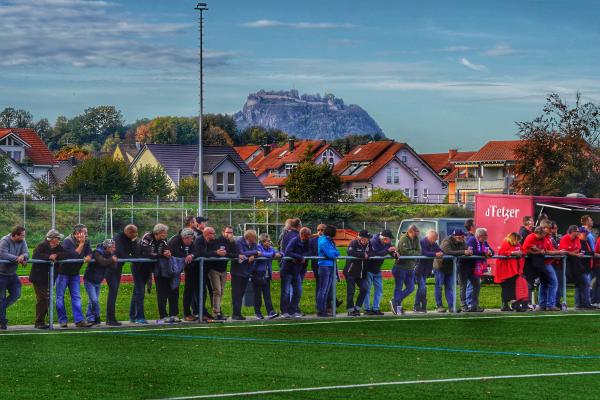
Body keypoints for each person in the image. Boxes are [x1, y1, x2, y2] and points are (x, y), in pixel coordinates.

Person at [195, 226, 237, 321]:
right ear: (223, 232)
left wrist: (227, 252)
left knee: (221, 291)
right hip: (213, 269)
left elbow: (235, 254)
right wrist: (217, 253)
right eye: (228, 232)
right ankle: (216, 313)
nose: (229, 234)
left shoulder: (231, 242)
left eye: (231, 232)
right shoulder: (216, 241)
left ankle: (218, 311)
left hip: (223, 270)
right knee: (217, 291)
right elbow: (208, 252)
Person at [30, 230, 68, 329]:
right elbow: (35, 256)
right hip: (38, 278)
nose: (60, 240)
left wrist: (56, 255)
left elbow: (66, 254)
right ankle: (39, 322)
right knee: (43, 299)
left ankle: (41, 322)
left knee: (46, 299)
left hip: (49, 277)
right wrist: (49, 257)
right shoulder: (42, 245)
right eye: (58, 238)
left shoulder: (58, 247)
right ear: (53, 239)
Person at [139, 224, 175, 324]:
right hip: (141, 267)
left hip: (157, 267)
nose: (166, 234)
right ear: (158, 232)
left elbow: (166, 250)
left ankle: (164, 315)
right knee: (139, 292)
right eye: (164, 233)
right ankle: (137, 316)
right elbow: (147, 254)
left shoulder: (164, 239)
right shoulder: (147, 237)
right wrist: (161, 255)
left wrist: (168, 253)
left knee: (162, 290)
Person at [59, 224, 93, 328]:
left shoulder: (86, 241)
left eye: (86, 232)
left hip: (75, 273)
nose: (86, 234)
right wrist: (81, 244)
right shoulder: (67, 241)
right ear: (77, 233)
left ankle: (79, 321)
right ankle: (63, 321)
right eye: (84, 232)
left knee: (76, 297)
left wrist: (88, 256)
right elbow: (72, 255)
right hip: (63, 273)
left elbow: (90, 252)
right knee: (60, 297)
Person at [523, 226, 562, 311]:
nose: (543, 237)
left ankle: (543, 305)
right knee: (552, 282)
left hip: (541, 263)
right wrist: (539, 251)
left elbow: (545, 250)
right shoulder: (530, 237)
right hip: (534, 264)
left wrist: (540, 251)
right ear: (537, 233)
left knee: (544, 282)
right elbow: (526, 250)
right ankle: (548, 304)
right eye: (542, 235)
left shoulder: (544, 238)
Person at [435, 229, 472, 313]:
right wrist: (463, 252)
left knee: (449, 287)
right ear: (457, 236)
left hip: (451, 267)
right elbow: (447, 251)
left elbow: (466, 249)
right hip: (440, 266)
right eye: (462, 236)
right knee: (439, 286)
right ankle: (439, 306)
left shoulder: (462, 241)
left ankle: (451, 306)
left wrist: (469, 252)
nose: (464, 237)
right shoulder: (446, 241)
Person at [0, 226, 28, 330]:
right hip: (1, 274)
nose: (24, 237)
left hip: (12, 274)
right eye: (22, 235)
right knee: (1, 298)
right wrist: (18, 258)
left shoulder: (22, 241)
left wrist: (24, 257)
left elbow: (26, 253)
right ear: (15, 235)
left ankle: (0, 310)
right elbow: (3, 254)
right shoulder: (4, 241)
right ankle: (2, 322)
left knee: (17, 294)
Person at [85, 239, 117, 325]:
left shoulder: (110, 253)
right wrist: (111, 260)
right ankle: (97, 317)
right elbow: (102, 262)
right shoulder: (97, 252)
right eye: (113, 247)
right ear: (108, 247)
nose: (114, 249)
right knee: (94, 300)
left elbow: (114, 266)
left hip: (98, 280)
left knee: (92, 301)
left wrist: (111, 260)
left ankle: (90, 318)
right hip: (89, 280)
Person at [167, 228, 196, 322]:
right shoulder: (174, 241)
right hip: (172, 270)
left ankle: (187, 313)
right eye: (190, 239)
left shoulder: (191, 242)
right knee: (173, 291)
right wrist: (186, 255)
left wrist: (191, 255)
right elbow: (174, 253)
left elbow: (197, 251)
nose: (192, 241)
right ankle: (172, 314)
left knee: (189, 289)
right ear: (185, 238)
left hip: (188, 268)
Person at [363, 229, 396, 315]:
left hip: (377, 269)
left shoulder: (386, 242)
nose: (390, 241)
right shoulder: (373, 241)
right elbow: (376, 254)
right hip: (368, 269)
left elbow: (390, 250)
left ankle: (376, 308)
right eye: (389, 239)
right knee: (367, 289)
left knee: (379, 289)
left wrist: (395, 254)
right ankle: (367, 309)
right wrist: (388, 251)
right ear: (384, 238)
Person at [559, 225, 591, 310]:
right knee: (564, 284)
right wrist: (574, 253)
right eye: (576, 231)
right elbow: (563, 251)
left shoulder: (577, 239)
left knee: (583, 283)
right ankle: (582, 304)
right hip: (567, 265)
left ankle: (583, 304)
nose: (578, 233)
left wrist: (571, 252)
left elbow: (577, 249)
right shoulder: (565, 238)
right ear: (572, 232)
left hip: (576, 264)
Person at [282, 227, 312, 318]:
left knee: (298, 291)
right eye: (307, 236)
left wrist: (301, 257)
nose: (308, 238)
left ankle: (292, 311)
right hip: (287, 269)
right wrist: (299, 257)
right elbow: (287, 252)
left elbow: (309, 252)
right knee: (285, 291)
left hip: (297, 270)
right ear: (302, 234)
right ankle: (284, 311)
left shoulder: (307, 241)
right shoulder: (294, 240)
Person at [461, 228, 493, 312]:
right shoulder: (471, 240)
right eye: (485, 236)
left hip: (476, 268)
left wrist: (490, 253)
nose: (487, 238)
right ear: (479, 236)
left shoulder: (484, 242)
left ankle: (474, 305)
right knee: (464, 286)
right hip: (466, 266)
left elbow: (491, 250)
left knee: (477, 285)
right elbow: (472, 251)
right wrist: (484, 254)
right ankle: (465, 305)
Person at [231, 229, 261, 320]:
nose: (255, 239)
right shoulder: (239, 242)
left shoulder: (253, 243)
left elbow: (259, 252)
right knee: (236, 294)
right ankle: (236, 314)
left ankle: (238, 313)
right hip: (237, 272)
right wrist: (255, 253)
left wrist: (254, 256)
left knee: (241, 293)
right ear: (248, 237)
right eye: (254, 237)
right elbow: (242, 253)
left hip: (247, 272)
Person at [391, 224, 420, 315]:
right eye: (416, 232)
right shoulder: (403, 239)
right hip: (400, 268)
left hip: (410, 268)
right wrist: (415, 253)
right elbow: (405, 252)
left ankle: (395, 301)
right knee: (398, 287)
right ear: (411, 231)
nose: (418, 234)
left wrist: (414, 253)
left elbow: (419, 251)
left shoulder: (416, 239)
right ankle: (397, 308)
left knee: (411, 288)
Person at [114, 225, 140, 324]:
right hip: (110, 267)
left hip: (118, 266)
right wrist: (129, 257)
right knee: (113, 292)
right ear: (129, 232)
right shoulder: (118, 238)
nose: (136, 235)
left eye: (136, 233)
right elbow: (120, 253)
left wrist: (134, 242)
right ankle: (108, 318)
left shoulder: (131, 239)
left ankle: (111, 318)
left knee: (114, 291)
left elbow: (135, 254)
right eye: (134, 233)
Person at [344, 230, 371, 316]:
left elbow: (373, 252)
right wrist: (362, 254)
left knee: (364, 289)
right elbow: (350, 252)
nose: (368, 240)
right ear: (362, 238)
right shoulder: (354, 243)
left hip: (362, 273)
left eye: (368, 238)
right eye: (367, 238)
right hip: (351, 271)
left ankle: (357, 308)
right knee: (351, 291)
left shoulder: (369, 244)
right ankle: (350, 310)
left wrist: (368, 254)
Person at [253, 233, 280, 319]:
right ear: (263, 242)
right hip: (257, 275)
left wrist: (279, 254)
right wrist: (272, 254)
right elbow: (262, 254)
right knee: (257, 295)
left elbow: (279, 253)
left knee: (267, 295)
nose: (270, 242)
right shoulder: (257, 248)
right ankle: (258, 313)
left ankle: (271, 312)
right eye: (268, 241)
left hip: (267, 276)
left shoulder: (271, 248)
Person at [495, 232, 525, 311]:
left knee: (513, 287)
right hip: (505, 270)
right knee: (507, 287)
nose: (518, 242)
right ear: (513, 239)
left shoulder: (517, 245)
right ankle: (508, 304)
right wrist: (513, 253)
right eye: (517, 240)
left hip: (513, 270)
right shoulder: (506, 244)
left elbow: (523, 251)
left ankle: (510, 304)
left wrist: (521, 253)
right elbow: (502, 253)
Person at [415, 230, 443, 313]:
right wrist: (435, 254)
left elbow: (440, 251)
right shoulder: (421, 242)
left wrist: (440, 253)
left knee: (422, 288)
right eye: (435, 239)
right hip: (418, 269)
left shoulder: (434, 244)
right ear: (432, 238)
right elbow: (423, 252)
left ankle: (420, 307)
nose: (436, 241)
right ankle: (418, 306)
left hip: (426, 270)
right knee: (422, 288)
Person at [317, 225, 340, 317]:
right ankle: (321, 310)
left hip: (330, 266)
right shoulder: (323, 241)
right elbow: (331, 254)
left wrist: (334, 253)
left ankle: (324, 309)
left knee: (326, 290)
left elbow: (337, 252)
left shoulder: (329, 241)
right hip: (324, 266)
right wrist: (334, 253)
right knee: (323, 289)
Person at [577, 227, 595, 309]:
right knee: (585, 285)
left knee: (582, 285)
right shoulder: (579, 241)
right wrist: (592, 253)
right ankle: (585, 303)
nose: (586, 235)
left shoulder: (585, 241)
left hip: (586, 267)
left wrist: (591, 253)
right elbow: (582, 251)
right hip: (581, 267)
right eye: (584, 233)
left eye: (586, 233)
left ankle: (581, 304)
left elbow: (587, 252)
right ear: (579, 234)